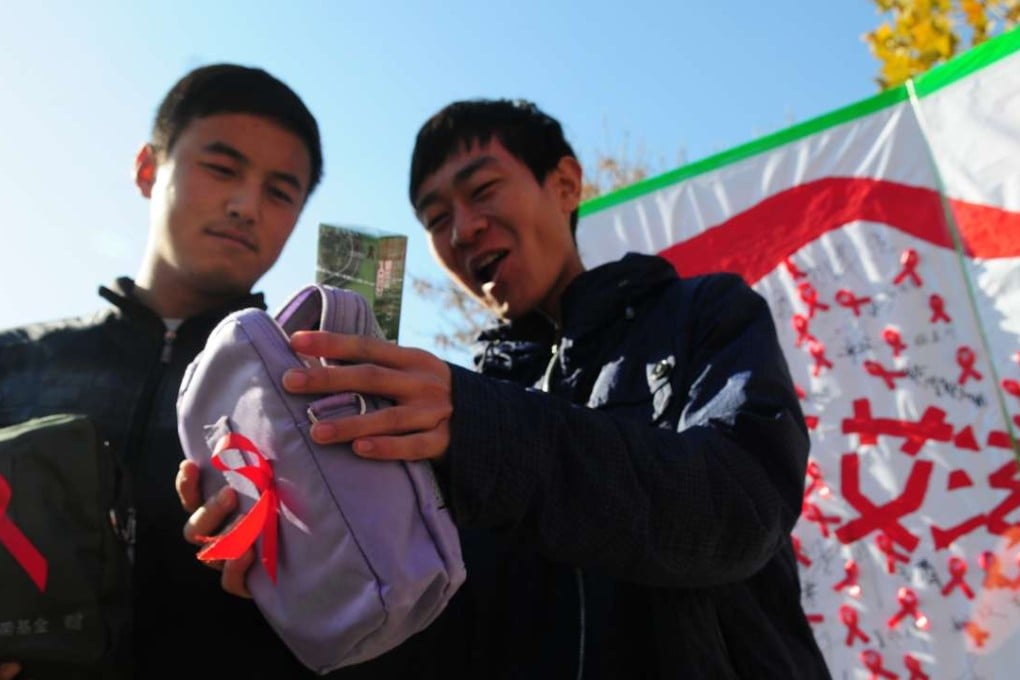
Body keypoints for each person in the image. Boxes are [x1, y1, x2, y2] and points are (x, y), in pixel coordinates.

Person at [179, 99, 833, 678]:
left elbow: (740, 505)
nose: (462, 230)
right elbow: (442, 637)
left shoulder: (704, 313)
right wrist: (302, 551)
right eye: (436, 218)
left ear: (566, 184)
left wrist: (481, 429)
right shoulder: (440, 412)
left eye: (483, 190)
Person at [0, 63, 336, 678]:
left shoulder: (314, 391)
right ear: (149, 169)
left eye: (280, 191)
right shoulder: (16, 360)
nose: (244, 206)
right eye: (222, 168)